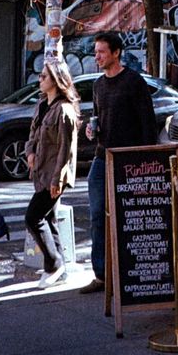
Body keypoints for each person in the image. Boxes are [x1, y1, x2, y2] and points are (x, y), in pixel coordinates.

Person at [80, 32, 157, 294]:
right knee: (97, 215)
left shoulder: (134, 82)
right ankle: (101, 274)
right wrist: (91, 130)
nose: (97, 57)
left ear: (116, 53)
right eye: (95, 52)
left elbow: (148, 124)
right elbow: (97, 117)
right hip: (102, 157)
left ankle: (130, 271)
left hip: (128, 160)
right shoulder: (98, 85)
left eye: (102, 52)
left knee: (129, 217)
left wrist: (146, 162)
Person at [24, 60, 80, 289]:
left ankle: (53, 264)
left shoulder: (64, 110)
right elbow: (33, 133)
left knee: (33, 217)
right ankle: (60, 268)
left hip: (54, 175)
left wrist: (58, 179)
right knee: (49, 218)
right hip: (41, 171)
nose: (40, 80)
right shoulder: (42, 104)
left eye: (44, 76)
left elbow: (67, 150)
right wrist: (29, 152)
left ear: (56, 80)